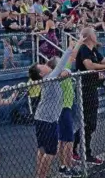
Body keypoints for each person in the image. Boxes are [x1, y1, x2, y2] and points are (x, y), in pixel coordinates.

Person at [28, 36, 84, 178]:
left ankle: (40, 175)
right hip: (47, 120)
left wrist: (69, 70)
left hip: (43, 118)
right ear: (41, 73)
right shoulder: (48, 78)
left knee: (42, 149)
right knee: (50, 152)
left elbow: (64, 70)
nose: (45, 64)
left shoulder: (52, 77)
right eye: (42, 66)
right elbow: (61, 67)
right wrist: (70, 47)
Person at [73, 27, 105, 165]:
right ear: (88, 36)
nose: (96, 35)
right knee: (88, 122)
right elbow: (90, 66)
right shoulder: (84, 49)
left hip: (92, 88)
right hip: (85, 89)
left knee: (90, 122)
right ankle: (82, 150)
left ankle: (76, 148)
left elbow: (104, 61)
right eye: (94, 33)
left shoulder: (93, 50)